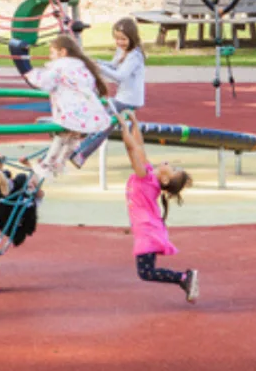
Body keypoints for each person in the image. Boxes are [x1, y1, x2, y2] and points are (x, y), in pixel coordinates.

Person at [119, 115, 198, 302]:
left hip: (147, 229)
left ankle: (184, 278)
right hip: (148, 227)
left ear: (165, 179)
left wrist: (123, 128)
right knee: (146, 271)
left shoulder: (144, 176)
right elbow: (139, 146)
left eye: (174, 169)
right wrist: (134, 125)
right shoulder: (148, 175)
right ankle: (184, 279)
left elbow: (132, 150)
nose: (171, 164)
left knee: (146, 272)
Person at [30, 34, 112, 180]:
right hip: (88, 112)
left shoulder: (62, 65)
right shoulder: (81, 66)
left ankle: (47, 164)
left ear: (63, 52)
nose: (50, 57)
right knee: (73, 138)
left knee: (61, 136)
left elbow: (43, 81)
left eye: (52, 52)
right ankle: (60, 163)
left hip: (72, 111)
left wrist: (28, 73)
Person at [72, 18, 149, 169]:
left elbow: (120, 75)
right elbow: (113, 65)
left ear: (132, 38)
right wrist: (96, 62)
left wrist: (98, 68)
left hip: (129, 99)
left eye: (123, 39)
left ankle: (81, 153)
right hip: (122, 97)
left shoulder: (135, 56)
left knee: (103, 122)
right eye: (117, 39)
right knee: (101, 120)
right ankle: (80, 149)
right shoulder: (122, 51)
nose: (120, 42)